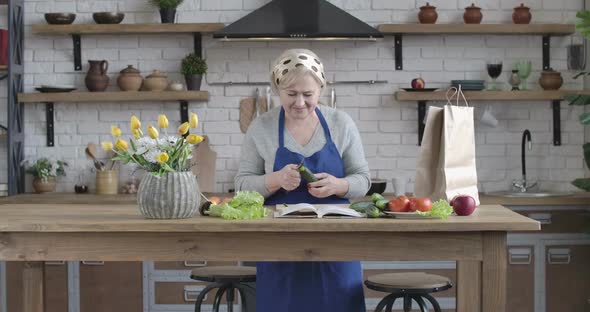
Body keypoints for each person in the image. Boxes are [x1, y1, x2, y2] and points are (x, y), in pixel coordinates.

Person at [235, 48, 371, 312]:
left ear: (321, 88)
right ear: (277, 89)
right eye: (291, 94)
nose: (300, 103)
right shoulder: (261, 127)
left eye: (308, 95)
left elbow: (362, 179)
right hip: (279, 247)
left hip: (336, 244)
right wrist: (274, 180)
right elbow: (242, 186)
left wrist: (339, 185)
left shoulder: (341, 123)